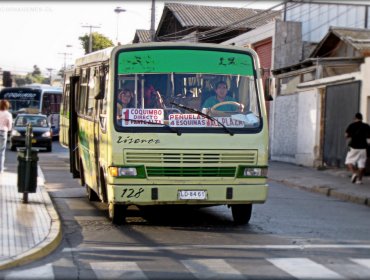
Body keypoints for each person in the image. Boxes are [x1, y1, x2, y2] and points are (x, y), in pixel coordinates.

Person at [344, 112, 370, 184]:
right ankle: (359, 180)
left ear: (355, 118)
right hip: (363, 148)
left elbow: (346, 135)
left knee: (349, 161)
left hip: (354, 147)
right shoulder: (366, 126)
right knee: (362, 164)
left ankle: (354, 173)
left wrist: (350, 136)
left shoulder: (352, 125)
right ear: (362, 118)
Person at [0, 100, 13, 173]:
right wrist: (8, 129)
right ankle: (1, 169)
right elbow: (10, 126)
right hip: (3, 132)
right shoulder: (8, 114)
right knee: (2, 152)